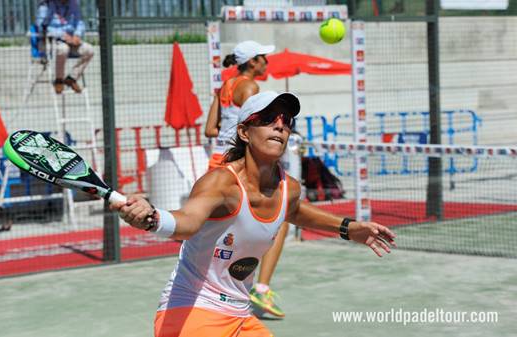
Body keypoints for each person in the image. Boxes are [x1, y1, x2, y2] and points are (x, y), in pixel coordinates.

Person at [113, 91, 396, 337]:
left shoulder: (289, 188)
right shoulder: (221, 183)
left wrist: (347, 228)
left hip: (239, 315)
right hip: (193, 309)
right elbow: (188, 222)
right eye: (268, 119)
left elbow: (295, 211)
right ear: (244, 132)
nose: (279, 126)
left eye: (286, 121)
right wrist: (153, 218)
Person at [204, 40, 287, 318]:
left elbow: (209, 129)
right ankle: (260, 289)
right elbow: (255, 127)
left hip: (215, 163)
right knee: (280, 217)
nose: (267, 62)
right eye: (264, 57)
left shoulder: (224, 87)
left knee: (225, 232)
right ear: (252, 62)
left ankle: (220, 290)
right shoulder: (251, 88)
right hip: (236, 164)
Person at [36, 0, 93, 94]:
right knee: (63, 49)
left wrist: (77, 36)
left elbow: (79, 22)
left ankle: (71, 78)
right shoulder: (45, 7)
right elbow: (42, 28)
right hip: (56, 41)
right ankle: (59, 80)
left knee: (89, 50)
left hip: (73, 40)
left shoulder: (74, 4)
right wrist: (63, 36)